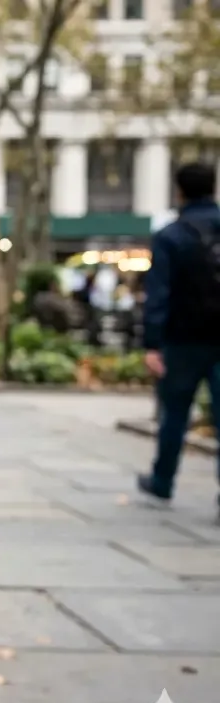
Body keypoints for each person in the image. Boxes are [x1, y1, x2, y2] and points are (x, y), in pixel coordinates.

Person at [137, 162, 220, 514]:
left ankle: (162, 481)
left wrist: (152, 343)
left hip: (183, 339)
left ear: (179, 190)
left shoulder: (171, 235)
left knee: (174, 414)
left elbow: (158, 295)